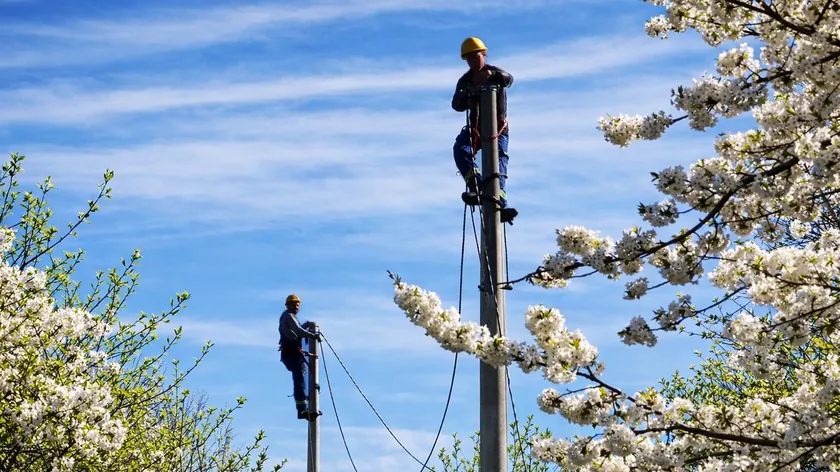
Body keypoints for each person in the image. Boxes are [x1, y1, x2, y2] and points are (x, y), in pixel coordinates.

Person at [451, 36, 518, 224]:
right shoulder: (465, 81)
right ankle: (476, 185)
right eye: (469, 58)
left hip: (498, 126)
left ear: (483, 55)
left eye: (476, 56)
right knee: (461, 149)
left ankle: (500, 201)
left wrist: (492, 77)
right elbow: (456, 104)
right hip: (476, 127)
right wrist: (466, 96)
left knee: (499, 159)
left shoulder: (495, 72)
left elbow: (508, 79)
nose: (473, 61)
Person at [278, 294, 320, 420]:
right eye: (294, 304)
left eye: (298, 304)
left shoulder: (289, 317)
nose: (296, 306)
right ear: (288, 305)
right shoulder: (288, 316)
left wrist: (307, 325)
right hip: (291, 353)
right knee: (299, 380)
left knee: (301, 379)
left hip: (292, 353)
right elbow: (298, 331)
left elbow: (298, 330)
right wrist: (313, 336)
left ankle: (304, 408)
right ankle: (302, 410)